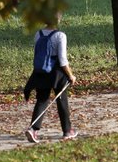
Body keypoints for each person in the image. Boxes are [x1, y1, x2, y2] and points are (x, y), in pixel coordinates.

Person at [23, 13, 78, 143]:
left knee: (42, 100)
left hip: (41, 72)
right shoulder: (60, 36)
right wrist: (70, 75)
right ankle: (67, 131)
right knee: (61, 100)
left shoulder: (38, 34)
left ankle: (33, 130)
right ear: (58, 20)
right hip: (57, 73)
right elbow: (63, 60)